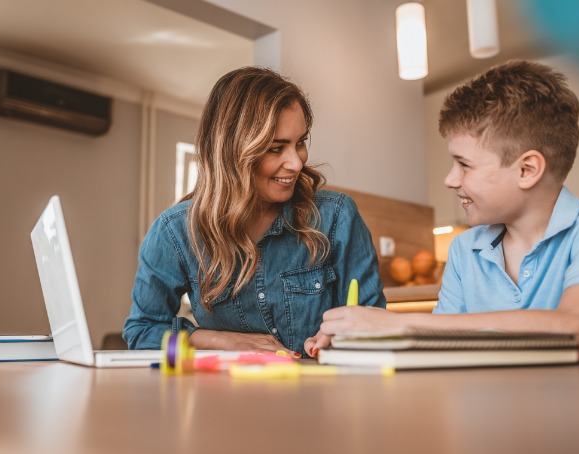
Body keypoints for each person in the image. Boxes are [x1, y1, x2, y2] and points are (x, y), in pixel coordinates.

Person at [306, 60, 579, 362]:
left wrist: (402, 323)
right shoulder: (465, 249)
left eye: (464, 165)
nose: (450, 179)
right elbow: (440, 346)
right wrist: (360, 338)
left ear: (527, 169)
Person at [123, 67, 386, 356]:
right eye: (276, 148)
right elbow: (143, 330)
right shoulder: (175, 232)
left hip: (320, 397)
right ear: (232, 152)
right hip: (227, 397)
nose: (296, 163)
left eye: (300, 143)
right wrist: (219, 340)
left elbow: (375, 328)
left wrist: (342, 340)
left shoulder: (337, 217)